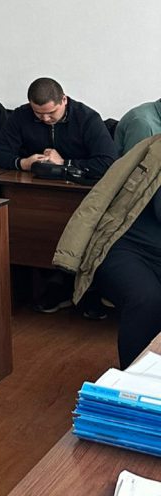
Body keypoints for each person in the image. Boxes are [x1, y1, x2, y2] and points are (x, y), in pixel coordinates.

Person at [55, 135, 161, 368]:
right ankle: (134, 378)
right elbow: (102, 193)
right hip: (125, 244)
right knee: (146, 300)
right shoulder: (153, 147)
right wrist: (69, 252)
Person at [0, 78, 117, 177]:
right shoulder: (21, 115)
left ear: (64, 100)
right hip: (31, 182)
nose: (45, 118)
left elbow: (108, 162)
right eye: (38, 113)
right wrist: (24, 163)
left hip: (77, 186)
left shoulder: (87, 119)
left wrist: (64, 163)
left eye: (51, 112)